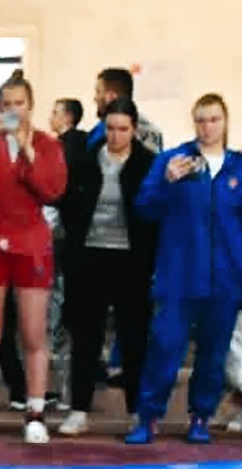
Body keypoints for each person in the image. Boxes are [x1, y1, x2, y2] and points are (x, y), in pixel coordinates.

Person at [126, 93, 242, 444]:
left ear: (225, 122)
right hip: (178, 274)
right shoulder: (173, 161)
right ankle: (148, 417)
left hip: (225, 278)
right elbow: (144, 208)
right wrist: (166, 182)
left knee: (213, 353)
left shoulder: (238, 168)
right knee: (165, 346)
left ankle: (201, 417)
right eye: (201, 120)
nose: (207, 127)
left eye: (214, 120)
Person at [0, 76, 67, 444]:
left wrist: (27, 148)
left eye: (19, 103)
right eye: (7, 104)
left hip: (31, 241)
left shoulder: (47, 144)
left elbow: (52, 189)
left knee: (33, 332)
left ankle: (35, 412)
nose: (13, 110)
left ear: (30, 106)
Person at [57, 99, 157, 435]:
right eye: (111, 129)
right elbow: (68, 206)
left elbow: (153, 215)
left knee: (134, 337)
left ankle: (137, 411)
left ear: (135, 130)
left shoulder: (148, 164)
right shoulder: (85, 161)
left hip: (132, 260)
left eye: (123, 129)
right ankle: (79, 408)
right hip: (90, 257)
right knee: (85, 335)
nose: (116, 136)